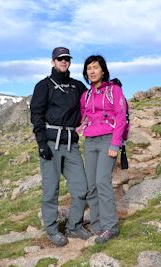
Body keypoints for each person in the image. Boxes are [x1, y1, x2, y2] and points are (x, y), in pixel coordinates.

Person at [30, 47, 92, 246]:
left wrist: (108, 86)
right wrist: (41, 144)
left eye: (66, 59)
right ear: (53, 62)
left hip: (71, 144)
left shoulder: (77, 86)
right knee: (51, 190)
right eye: (60, 59)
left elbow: (92, 102)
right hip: (50, 143)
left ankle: (75, 226)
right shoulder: (44, 86)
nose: (63, 62)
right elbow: (36, 116)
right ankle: (51, 229)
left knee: (81, 187)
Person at [79, 55, 126, 244]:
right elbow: (83, 117)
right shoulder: (86, 95)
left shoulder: (113, 90)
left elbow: (121, 116)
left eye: (95, 67)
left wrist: (116, 143)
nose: (92, 71)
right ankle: (96, 225)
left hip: (108, 139)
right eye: (89, 68)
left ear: (103, 71)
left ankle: (110, 227)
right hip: (90, 141)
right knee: (91, 185)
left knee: (102, 182)